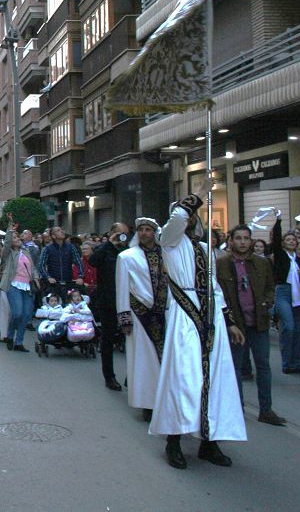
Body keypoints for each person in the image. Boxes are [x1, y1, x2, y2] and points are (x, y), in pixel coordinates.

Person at [149, 195, 246, 469]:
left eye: (193, 215)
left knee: (215, 379)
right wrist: (198, 194)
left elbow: (215, 286)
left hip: (210, 316)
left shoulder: (205, 248)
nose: (189, 218)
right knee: (183, 377)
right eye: (185, 214)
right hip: (185, 314)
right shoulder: (168, 241)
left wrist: (229, 320)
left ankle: (209, 442)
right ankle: (174, 440)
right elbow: (178, 219)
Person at [218, 224, 285, 426]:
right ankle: (237, 408)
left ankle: (266, 409)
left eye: (246, 238)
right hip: (235, 323)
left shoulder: (261, 263)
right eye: (238, 238)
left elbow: (270, 287)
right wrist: (227, 320)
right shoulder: (221, 264)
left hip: (258, 321)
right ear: (231, 241)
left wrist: (267, 303)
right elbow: (218, 293)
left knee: (263, 365)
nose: (242, 242)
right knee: (236, 367)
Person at [116, 219, 165, 413]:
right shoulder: (127, 257)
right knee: (144, 361)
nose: (145, 233)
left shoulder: (166, 254)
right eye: (141, 230)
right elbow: (122, 288)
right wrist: (125, 317)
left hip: (165, 314)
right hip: (139, 314)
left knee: (165, 360)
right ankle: (147, 403)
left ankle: (164, 400)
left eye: (148, 230)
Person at [89, 222, 130, 390]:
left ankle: (132, 376)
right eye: (120, 233)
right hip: (108, 301)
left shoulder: (129, 251)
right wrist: (109, 243)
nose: (123, 236)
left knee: (133, 340)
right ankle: (109, 376)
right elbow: (92, 261)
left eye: (126, 233)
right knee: (108, 339)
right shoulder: (104, 249)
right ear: (112, 233)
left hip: (128, 301)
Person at [269, 215, 300, 375]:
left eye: (294, 240)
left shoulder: (299, 260)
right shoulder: (280, 255)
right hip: (284, 292)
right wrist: (279, 221)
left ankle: (295, 362)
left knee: (299, 330)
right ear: (283, 243)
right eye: (288, 240)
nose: (292, 242)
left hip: (298, 294)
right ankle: (287, 363)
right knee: (289, 327)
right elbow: (277, 237)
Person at [37, 226, 83, 299]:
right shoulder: (47, 249)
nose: (62, 231)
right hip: (53, 283)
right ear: (53, 236)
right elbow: (41, 265)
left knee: (68, 304)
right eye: (58, 230)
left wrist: (80, 276)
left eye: (61, 229)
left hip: (68, 281)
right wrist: (48, 277)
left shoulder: (71, 247)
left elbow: (79, 262)